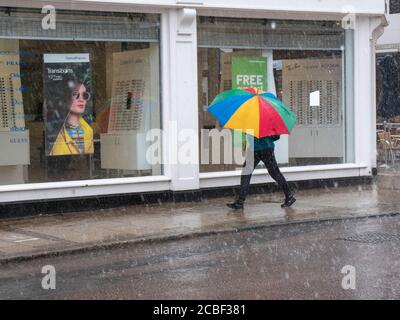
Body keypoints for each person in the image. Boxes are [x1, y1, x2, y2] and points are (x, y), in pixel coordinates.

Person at [227, 134, 296, 209]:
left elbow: (244, 138)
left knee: (246, 174)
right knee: (275, 173)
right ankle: (289, 196)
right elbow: (276, 137)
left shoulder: (250, 122)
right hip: (265, 148)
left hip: (255, 149)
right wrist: (267, 138)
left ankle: (240, 202)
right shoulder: (269, 122)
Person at [50, 80, 94, 156]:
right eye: (76, 94)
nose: (81, 99)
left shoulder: (88, 131)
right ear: (65, 99)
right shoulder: (56, 132)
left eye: (84, 95)